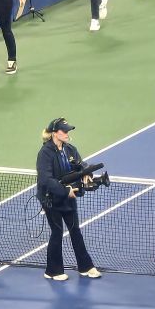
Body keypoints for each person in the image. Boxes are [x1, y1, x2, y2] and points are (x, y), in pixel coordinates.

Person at [36, 118, 102, 281]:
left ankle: (86, 266)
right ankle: (53, 271)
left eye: (68, 131)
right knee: (57, 232)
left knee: (75, 230)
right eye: (64, 131)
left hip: (68, 197)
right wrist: (66, 191)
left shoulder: (70, 149)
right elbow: (45, 179)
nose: (67, 133)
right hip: (51, 198)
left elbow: (80, 164)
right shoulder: (45, 153)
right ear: (54, 133)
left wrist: (87, 173)